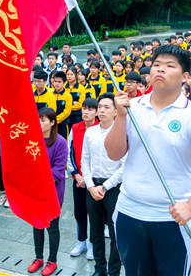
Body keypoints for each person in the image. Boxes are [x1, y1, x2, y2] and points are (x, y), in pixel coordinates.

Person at [105, 45, 191, 276]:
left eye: (170, 66)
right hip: (129, 213)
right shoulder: (133, 108)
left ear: (185, 77)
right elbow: (114, 154)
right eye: (157, 65)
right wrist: (120, 117)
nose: (160, 70)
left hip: (170, 220)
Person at [81, 93, 125, 276]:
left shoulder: (121, 132)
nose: (102, 110)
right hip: (93, 188)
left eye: (107, 107)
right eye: (100, 107)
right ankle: (100, 268)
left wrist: (105, 186)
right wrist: (91, 186)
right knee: (96, 230)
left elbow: (125, 166)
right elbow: (85, 160)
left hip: (113, 188)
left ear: (116, 112)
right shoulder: (90, 132)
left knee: (115, 233)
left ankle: (114, 271)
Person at [27, 108, 68, 276]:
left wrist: (37, 178)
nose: (39, 123)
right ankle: (38, 257)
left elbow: (58, 172)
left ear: (52, 123)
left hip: (52, 192)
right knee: (37, 224)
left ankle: (52, 260)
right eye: (38, 119)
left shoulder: (60, 142)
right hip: (35, 192)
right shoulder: (32, 140)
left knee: (52, 227)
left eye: (43, 120)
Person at [67, 98, 99, 260]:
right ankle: (82, 241)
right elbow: (70, 152)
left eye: (90, 109)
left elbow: (102, 156)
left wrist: (89, 178)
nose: (86, 112)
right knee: (79, 212)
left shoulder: (100, 128)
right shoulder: (75, 127)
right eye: (84, 109)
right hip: (79, 180)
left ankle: (93, 243)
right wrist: (77, 175)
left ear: (97, 112)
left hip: (94, 180)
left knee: (94, 213)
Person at [51, 71, 72, 140]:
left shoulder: (68, 96)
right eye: (55, 81)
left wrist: (55, 120)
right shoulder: (50, 94)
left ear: (64, 83)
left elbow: (67, 112)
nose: (57, 84)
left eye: (59, 82)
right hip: (51, 125)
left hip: (63, 125)